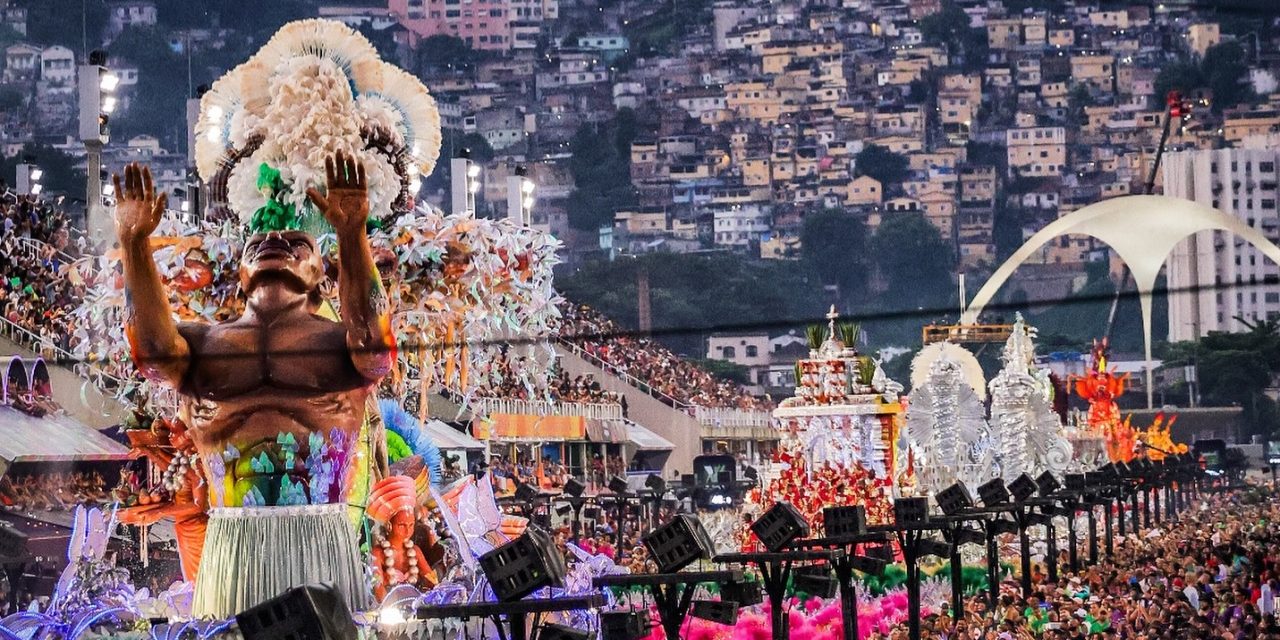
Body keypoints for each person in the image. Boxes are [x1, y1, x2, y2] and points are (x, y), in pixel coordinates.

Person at [114, 154, 394, 617]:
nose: (274, 242)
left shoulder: (339, 345)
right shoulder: (200, 343)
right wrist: (133, 243)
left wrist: (351, 234)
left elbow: (377, 345)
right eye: (259, 242)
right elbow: (152, 355)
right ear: (239, 279)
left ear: (320, 278)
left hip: (319, 540)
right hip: (233, 544)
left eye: (296, 241)